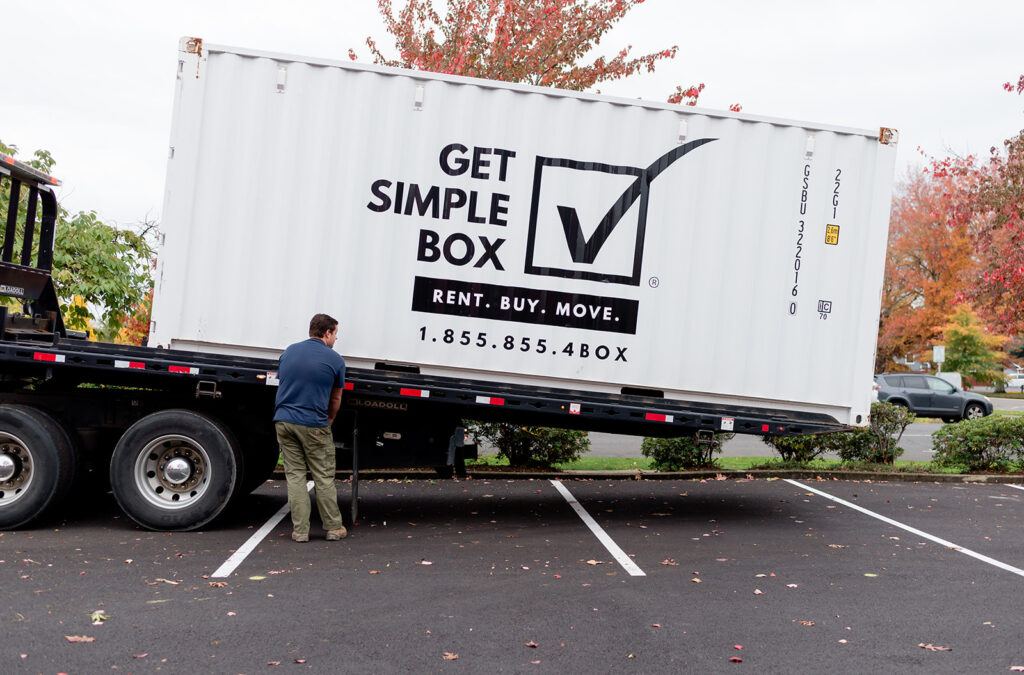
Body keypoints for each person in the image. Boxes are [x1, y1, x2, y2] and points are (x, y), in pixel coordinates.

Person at [274, 313, 347, 542]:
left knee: (295, 476)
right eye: (335, 334)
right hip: (313, 423)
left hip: (284, 422)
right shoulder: (335, 359)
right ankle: (334, 527)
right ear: (326, 333)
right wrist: (330, 420)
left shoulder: (289, 352)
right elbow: (335, 399)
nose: (336, 338)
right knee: (323, 476)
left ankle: (300, 531)